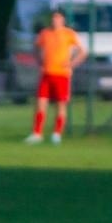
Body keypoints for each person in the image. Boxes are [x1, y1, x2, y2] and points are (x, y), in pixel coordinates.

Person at [26, 9, 84, 145]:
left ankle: (57, 134)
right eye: (53, 18)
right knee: (40, 102)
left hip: (62, 74)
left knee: (61, 104)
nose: (55, 20)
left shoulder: (69, 34)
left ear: (62, 19)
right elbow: (35, 48)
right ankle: (37, 133)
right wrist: (40, 61)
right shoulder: (45, 33)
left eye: (58, 18)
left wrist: (71, 63)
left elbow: (82, 51)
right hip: (47, 73)